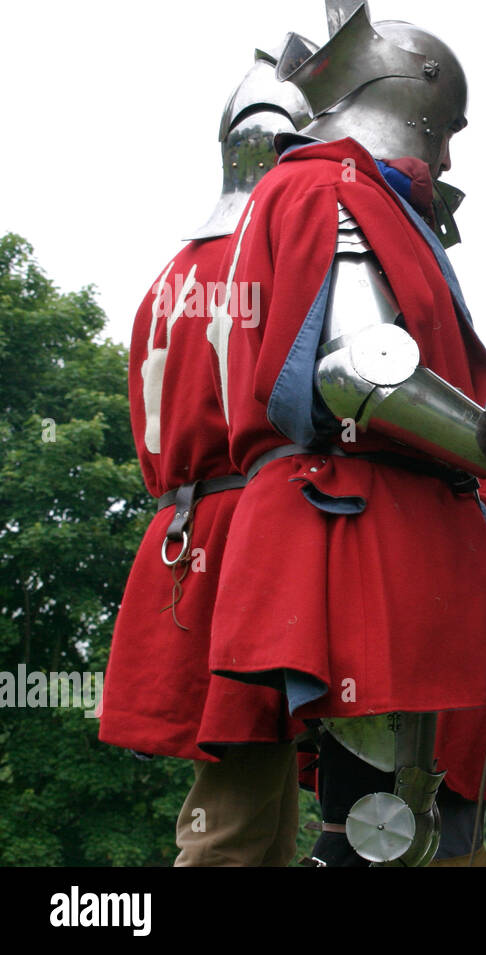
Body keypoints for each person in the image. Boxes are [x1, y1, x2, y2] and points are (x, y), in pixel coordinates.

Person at [207, 2, 486, 867]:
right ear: (410, 101)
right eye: (449, 129)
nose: (452, 153)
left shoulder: (336, 190)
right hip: (354, 522)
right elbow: (367, 374)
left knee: (396, 825)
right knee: (373, 836)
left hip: (371, 520)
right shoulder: (332, 185)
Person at [99, 37, 318, 867]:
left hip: (184, 534)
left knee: (262, 811)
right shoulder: (278, 257)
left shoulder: (165, 277)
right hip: (251, 538)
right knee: (232, 823)